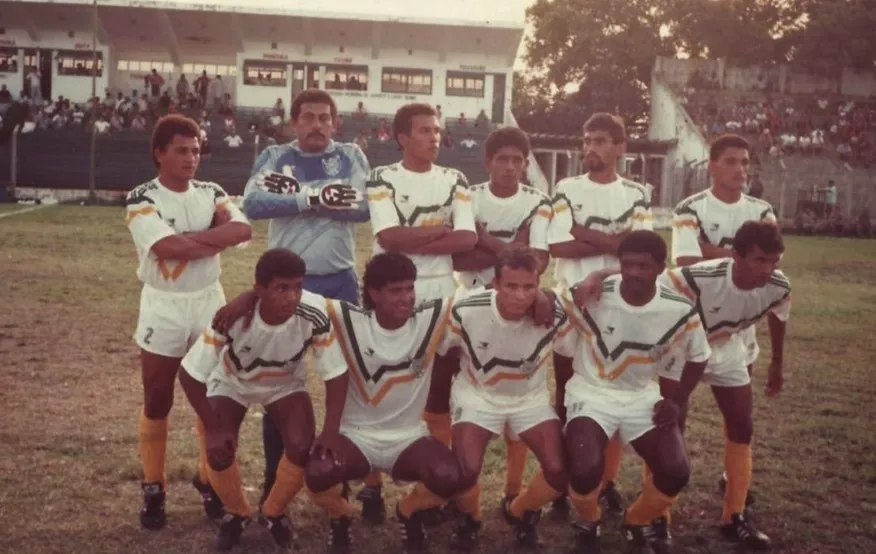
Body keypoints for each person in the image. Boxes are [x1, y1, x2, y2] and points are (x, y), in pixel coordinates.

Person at [575, 221, 790, 550]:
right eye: (759, 260)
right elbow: (639, 272)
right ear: (735, 256)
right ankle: (660, 516)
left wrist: (776, 361)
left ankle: (734, 514)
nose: (767, 268)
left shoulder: (778, 285)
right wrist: (595, 276)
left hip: (725, 347)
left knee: (742, 423)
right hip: (680, 350)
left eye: (773, 260)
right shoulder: (697, 277)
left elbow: (779, 313)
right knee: (669, 422)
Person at [214, 89, 369, 505]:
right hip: (287, 285)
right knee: (277, 379)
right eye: (308, 117)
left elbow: (363, 204)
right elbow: (255, 203)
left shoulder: (352, 155)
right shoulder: (273, 156)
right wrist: (315, 197)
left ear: (335, 122)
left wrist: (296, 198)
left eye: (324, 117)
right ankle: (273, 475)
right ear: (294, 122)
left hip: (339, 280)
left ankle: (347, 470)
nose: (316, 124)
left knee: (351, 378)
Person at [124, 114, 252, 530]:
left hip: (207, 302)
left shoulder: (212, 192)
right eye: (181, 149)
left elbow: (242, 229)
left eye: (196, 149)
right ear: (159, 153)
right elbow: (162, 247)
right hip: (163, 304)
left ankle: (209, 478)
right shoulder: (142, 196)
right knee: (158, 395)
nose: (191, 157)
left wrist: (188, 244)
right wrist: (209, 239)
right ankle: (154, 485)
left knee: (211, 393)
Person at [180, 249, 348, 550]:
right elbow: (189, 375)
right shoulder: (231, 316)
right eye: (282, 288)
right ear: (259, 290)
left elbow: (336, 374)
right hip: (233, 383)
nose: (292, 296)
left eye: (298, 286)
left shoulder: (314, 312)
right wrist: (213, 427)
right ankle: (237, 512)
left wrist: (332, 429)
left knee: (300, 444)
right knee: (218, 448)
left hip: (284, 385)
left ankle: (273, 513)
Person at [555, 231, 710, 553]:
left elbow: (699, 355)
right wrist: (561, 400)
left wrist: (677, 400)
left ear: (660, 267)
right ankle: (588, 521)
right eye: (628, 265)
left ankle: (636, 521)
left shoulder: (679, 309)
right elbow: (549, 301)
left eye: (644, 265)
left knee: (675, 472)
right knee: (585, 469)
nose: (635, 273)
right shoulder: (593, 294)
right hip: (592, 391)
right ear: (618, 266)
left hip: (641, 394)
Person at [361, 102, 477, 520]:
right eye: (424, 130)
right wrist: (438, 233)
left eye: (437, 130)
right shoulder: (382, 177)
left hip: (440, 289)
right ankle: (371, 483)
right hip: (391, 288)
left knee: (438, 382)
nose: (434, 137)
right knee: (384, 377)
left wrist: (419, 240)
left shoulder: (455, 179)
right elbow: (388, 237)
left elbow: (466, 239)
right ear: (402, 137)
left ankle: (434, 483)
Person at [304, 252, 461, 553]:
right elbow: (294, 296)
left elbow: (486, 298)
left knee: (448, 477)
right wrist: (245, 300)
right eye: (395, 290)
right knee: (318, 474)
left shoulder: (432, 317)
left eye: (409, 288)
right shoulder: (345, 318)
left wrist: (544, 297)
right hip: (355, 436)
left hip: (408, 437)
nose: (406, 298)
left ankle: (408, 511)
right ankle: (340, 517)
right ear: (373, 293)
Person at [547, 112, 652, 516]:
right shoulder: (566, 187)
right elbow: (557, 245)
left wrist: (583, 233)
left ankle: (603, 482)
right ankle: (559, 482)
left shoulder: (637, 193)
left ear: (620, 148)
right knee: (563, 396)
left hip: (618, 306)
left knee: (610, 394)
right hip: (572, 304)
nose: (590, 147)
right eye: (587, 139)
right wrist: (615, 242)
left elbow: (640, 250)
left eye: (601, 140)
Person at [448, 126, 552, 507]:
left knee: (516, 389)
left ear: (525, 164)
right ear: (487, 161)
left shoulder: (538, 200)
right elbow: (458, 257)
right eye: (502, 159)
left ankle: (512, 493)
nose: (509, 166)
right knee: (469, 394)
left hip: (519, 302)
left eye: (517, 160)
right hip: (471, 303)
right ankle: (466, 501)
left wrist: (485, 241)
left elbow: (539, 260)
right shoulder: (467, 196)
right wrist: (515, 249)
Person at [440, 245, 569, 550]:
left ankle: (521, 510)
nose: (521, 295)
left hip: (530, 399)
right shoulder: (466, 309)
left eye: (529, 287)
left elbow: (592, 290)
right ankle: (469, 518)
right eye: (511, 286)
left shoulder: (557, 311)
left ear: (540, 285)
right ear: (495, 284)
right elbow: (445, 354)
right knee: (466, 469)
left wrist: (547, 297)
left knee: (560, 471)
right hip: (478, 396)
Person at [671, 134, 776, 502]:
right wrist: (742, 258)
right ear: (712, 166)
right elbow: (685, 262)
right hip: (693, 321)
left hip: (739, 322)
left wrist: (708, 249)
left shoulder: (762, 210)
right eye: (731, 161)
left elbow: (769, 264)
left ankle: (733, 482)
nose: (740, 169)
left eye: (745, 162)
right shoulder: (690, 207)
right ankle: (670, 480)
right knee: (676, 409)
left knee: (738, 412)